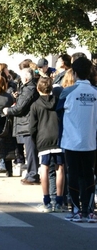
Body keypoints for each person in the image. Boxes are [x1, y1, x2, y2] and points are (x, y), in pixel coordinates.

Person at [57, 57, 97, 222]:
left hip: (71, 141)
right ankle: (89, 210)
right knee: (89, 175)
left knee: (72, 175)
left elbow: (58, 114)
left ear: (74, 72)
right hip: (90, 141)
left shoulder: (67, 92)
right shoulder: (95, 92)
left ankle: (76, 209)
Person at [30, 77, 65, 213]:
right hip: (58, 138)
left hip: (43, 138)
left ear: (38, 89)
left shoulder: (35, 105)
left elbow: (32, 127)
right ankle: (59, 201)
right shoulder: (58, 102)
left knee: (44, 168)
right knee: (60, 168)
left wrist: (35, 140)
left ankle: (47, 201)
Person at [3, 68, 40, 184]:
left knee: (31, 150)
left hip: (28, 123)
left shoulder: (29, 88)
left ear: (25, 78)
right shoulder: (27, 88)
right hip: (26, 122)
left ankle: (33, 175)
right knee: (29, 150)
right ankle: (31, 173)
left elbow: (20, 107)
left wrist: (8, 110)